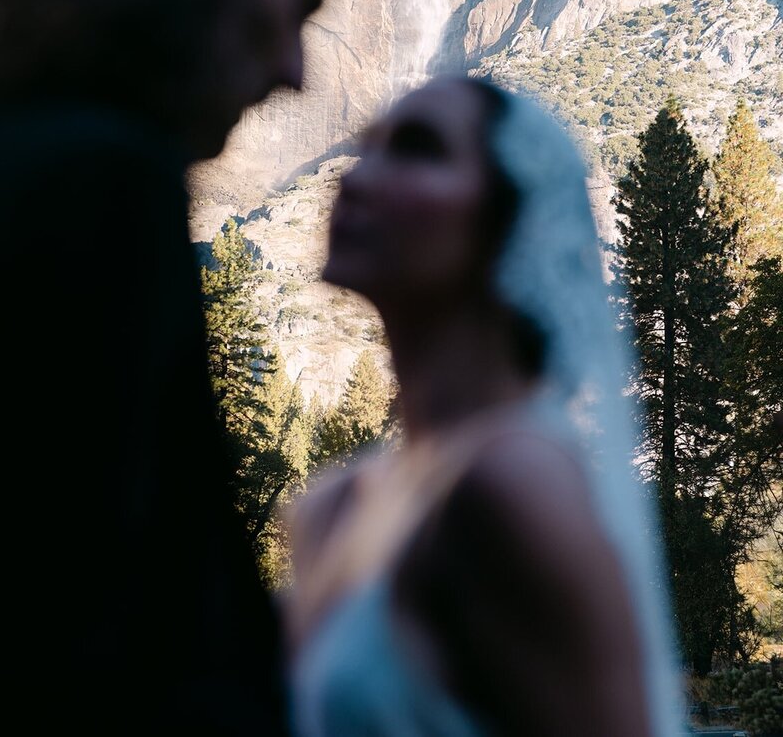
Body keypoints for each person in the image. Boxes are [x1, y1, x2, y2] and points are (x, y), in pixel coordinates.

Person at [0, 0, 329, 733]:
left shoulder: (22, 146)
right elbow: (97, 620)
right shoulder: (101, 183)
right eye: (296, 4)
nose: (297, 70)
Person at [286, 76, 683, 736]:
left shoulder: (516, 480)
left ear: (510, 222)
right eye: (364, 147)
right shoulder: (334, 503)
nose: (354, 178)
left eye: (417, 148)